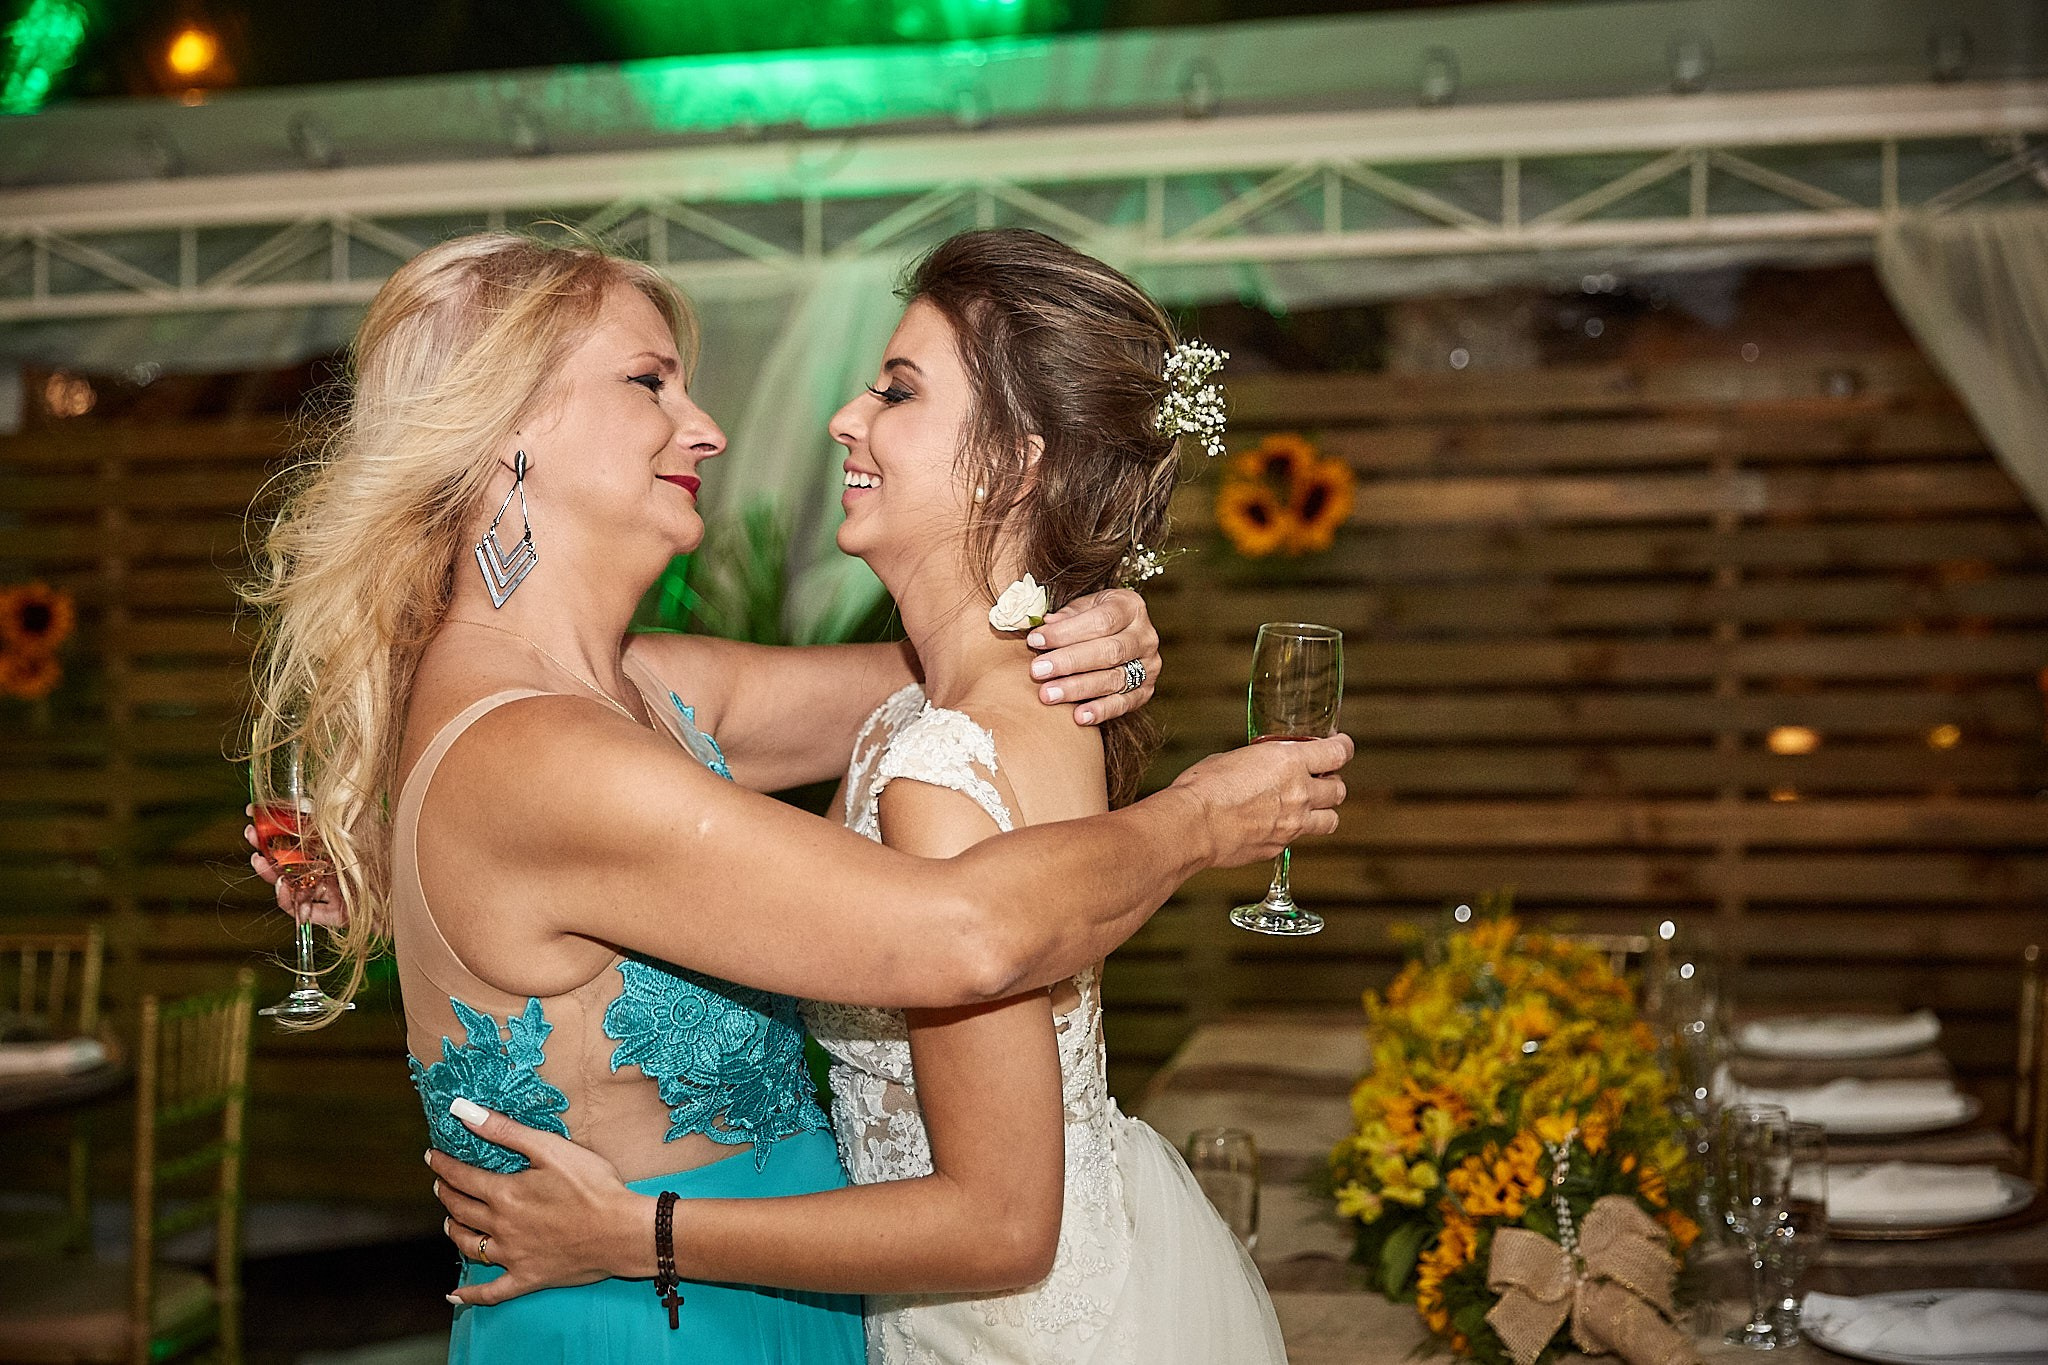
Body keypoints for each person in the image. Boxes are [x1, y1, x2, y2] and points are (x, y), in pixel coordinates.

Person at [242, 230, 1350, 1363]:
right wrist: (1204, 817)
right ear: (506, 428)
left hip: (768, 1300)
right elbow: (966, 935)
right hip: (655, 1324)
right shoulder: (542, 753)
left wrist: (1071, 621)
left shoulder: (644, 689)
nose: (707, 428)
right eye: (649, 382)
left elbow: (943, 678)